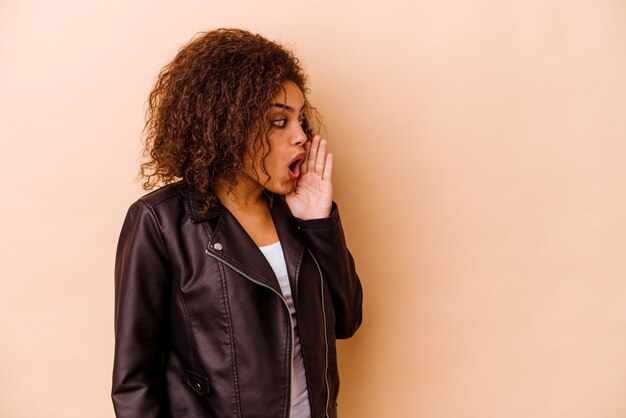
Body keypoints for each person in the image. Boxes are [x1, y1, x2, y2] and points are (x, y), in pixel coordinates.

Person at [112, 28, 363, 418]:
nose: (301, 136)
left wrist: (319, 222)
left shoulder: (298, 213)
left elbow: (347, 321)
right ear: (228, 125)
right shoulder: (160, 223)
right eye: (279, 121)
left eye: (300, 120)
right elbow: (134, 383)